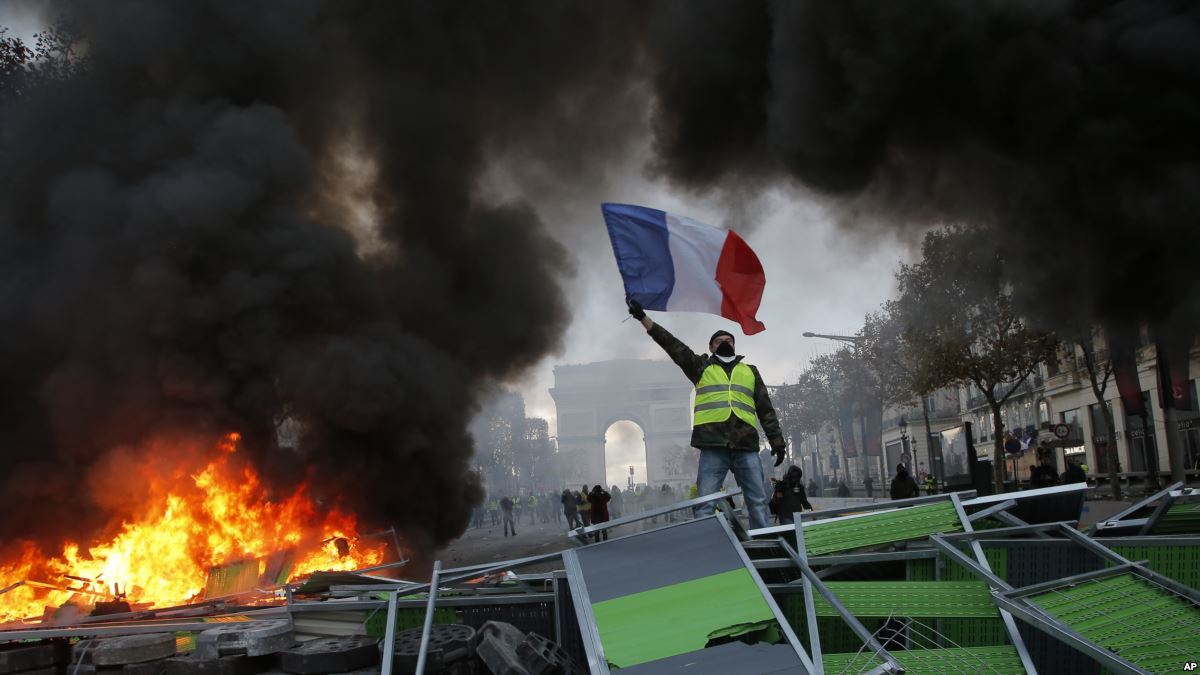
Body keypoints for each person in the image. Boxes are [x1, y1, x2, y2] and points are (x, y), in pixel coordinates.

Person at [629, 300, 787, 530]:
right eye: (719, 341)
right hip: (713, 446)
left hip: (745, 445)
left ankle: (765, 543)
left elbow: (766, 410)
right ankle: (709, 545)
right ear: (711, 347)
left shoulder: (750, 371)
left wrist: (777, 440)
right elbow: (672, 345)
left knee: (757, 501)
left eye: (729, 340)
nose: (724, 343)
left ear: (735, 345)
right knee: (705, 503)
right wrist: (645, 319)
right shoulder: (699, 366)